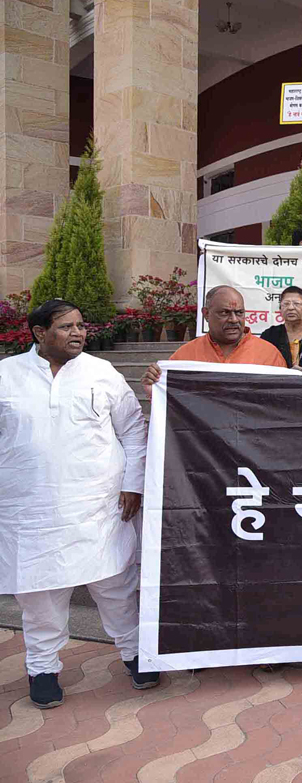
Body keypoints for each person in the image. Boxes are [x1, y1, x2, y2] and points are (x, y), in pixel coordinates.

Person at [1, 300, 156, 709]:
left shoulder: (101, 372)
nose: (79, 333)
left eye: (81, 325)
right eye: (66, 326)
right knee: (39, 597)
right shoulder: (6, 376)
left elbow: (134, 432)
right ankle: (42, 669)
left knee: (116, 588)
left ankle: (136, 655)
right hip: (31, 513)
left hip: (99, 507)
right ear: (38, 333)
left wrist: (134, 484)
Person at [142, 286, 287, 393]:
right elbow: (173, 406)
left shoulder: (269, 355)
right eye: (225, 313)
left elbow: (281, 402)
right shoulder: (184, 357)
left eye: (239, 313)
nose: (234, 320)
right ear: (206, 314)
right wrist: (154, 388)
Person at [260, 285, 302, 369]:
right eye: (286, 304)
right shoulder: (269, 335)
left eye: (297, 303)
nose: (291, 308)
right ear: (280, 308)